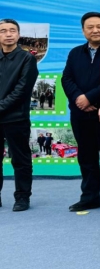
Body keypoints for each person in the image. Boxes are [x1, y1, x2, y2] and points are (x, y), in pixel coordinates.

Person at [62, 12, 100, 212]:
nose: (95, 30)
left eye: (99, 26)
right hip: (80, 113)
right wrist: (79, 98)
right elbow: (67, 79)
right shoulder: (75, 53)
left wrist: (90, 97)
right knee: (86, 157)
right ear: (83, 31)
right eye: (90, 27)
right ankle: (90, 197)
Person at [0, 19, 39, 211]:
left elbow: (22, 90)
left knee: (20, 160)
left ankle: (22, 197)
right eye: (3, 31)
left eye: (12, 30)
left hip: (16, 118)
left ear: (18, 34)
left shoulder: (27, 59)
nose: (8, 34)